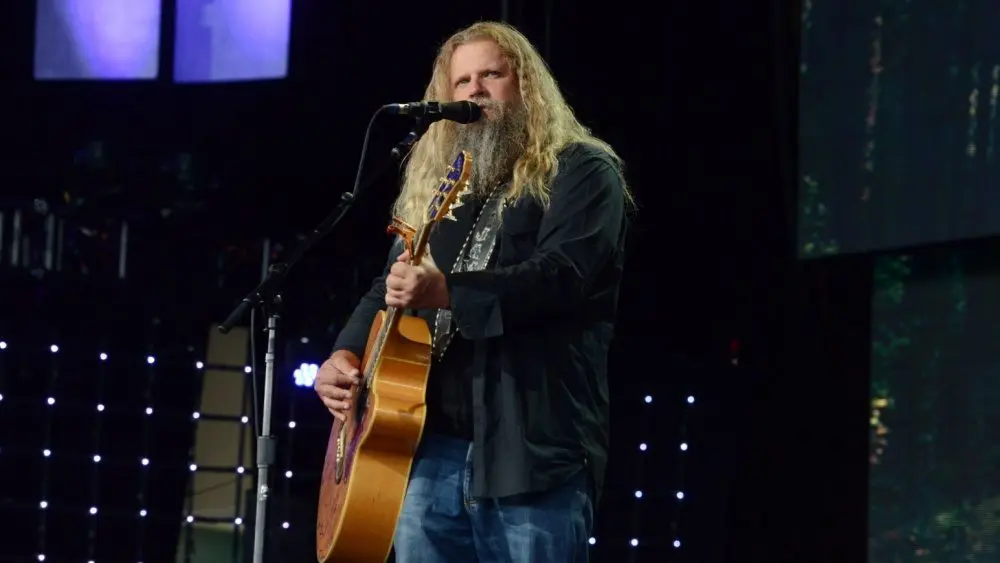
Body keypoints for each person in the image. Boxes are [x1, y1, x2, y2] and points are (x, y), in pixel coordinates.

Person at [314, 20, 631, 563]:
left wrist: (449, 291)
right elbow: (387, 286)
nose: (474, 91)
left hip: (531, 450)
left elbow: (562, 276)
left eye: (491, 74)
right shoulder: (441, 183)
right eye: (461, 82)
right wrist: (343, 353)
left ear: (526, 84)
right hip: (425, 447)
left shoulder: (581, 170)